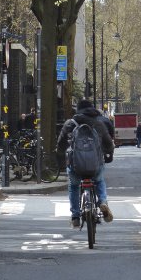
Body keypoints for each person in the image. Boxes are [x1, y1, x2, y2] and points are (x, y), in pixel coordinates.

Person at [56, 98, 115, 229]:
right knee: (99, 181)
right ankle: (103, 202)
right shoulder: (99, 124)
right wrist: (109, 155)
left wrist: (60, 154)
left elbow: (61, 144)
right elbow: (108, 144)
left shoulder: (70, 123)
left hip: (75, 164)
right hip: (96, 163)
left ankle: (75, 216)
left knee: (74, 186)